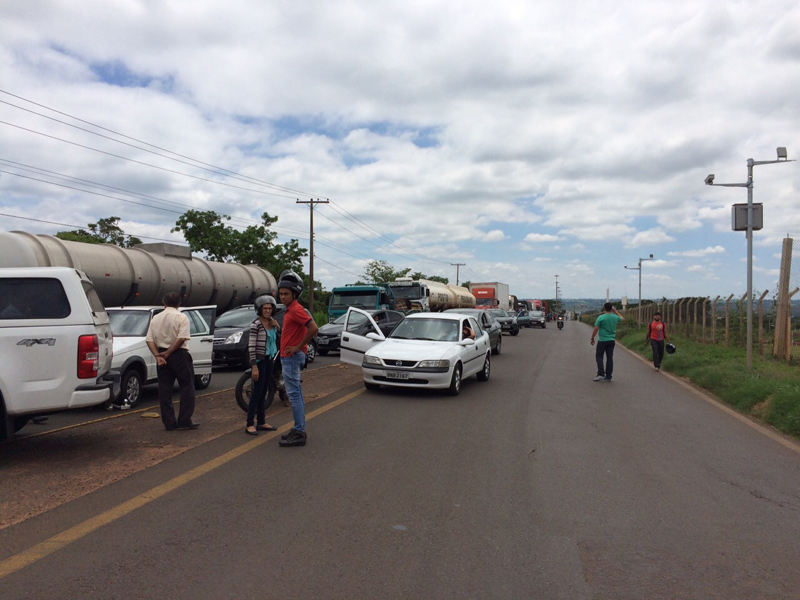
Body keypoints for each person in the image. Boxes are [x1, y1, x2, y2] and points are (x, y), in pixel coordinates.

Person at [277, 271, 319, 448]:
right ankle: (298, 428)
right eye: (281, 293)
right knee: (296, 394)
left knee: (294, 395)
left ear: (294, 294)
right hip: (289, 357)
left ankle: (300, 432)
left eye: (286, 294)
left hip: (292, 357)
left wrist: (298, 346)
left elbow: (313, 328)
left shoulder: (296, 309)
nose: (283, 297)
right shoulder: (290, 310)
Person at [145, 292, 199, 431]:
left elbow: (149, 339)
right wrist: (169, 352)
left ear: (164, 303)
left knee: (165, 390)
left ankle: (169, 422)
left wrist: (158, 355)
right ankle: (184, 419)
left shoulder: (156, 318)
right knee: (187, 386)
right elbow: (182, 338)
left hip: (161, 354)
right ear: (179, 304)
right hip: (179, 354)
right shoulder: (181, 317)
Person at [245, 295, 280, 435]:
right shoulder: (256, 324)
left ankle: (261, 421)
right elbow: (251, 345)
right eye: (265, 308)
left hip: (269, 359)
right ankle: (249, 423)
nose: (267, 311)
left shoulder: (271, 322)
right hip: (259, 361)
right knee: (257, 393)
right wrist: (254, 366)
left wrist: (276, 326)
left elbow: (280, 335)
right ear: (259, 309)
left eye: (270, 308)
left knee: (264, 391)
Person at [590, 302, 624, 382]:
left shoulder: (601, 317)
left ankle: (601, 374)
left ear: (604, 308)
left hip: (602, 340)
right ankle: (608, 376)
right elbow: (622, 319)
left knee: (599, 356)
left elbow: (596, 328)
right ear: (611, 308)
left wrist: (592, 338)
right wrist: (616, 312)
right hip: (611, 340)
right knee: (609, 358)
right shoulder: (615, 317)